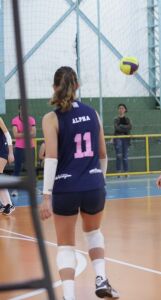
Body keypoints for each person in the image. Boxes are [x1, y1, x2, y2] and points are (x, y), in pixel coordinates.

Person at [39, 66, 119, 299]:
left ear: (55, 87)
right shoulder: (93, 113)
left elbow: (51, 158)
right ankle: (101, 280)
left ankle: (69, 296)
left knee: (65, 245)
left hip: (65, 188)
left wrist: (46, 196)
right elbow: (103, 154)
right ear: (77, 86)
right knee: (94, 232)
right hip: (94, 185)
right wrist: (99, 181)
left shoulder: (51, 118)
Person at [11, 104, 36, 196]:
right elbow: (15, 135)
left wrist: (21, 133)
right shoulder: (15, 120)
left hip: (30, 148)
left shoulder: (31, 119)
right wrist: (28, 133)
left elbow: (34, 134)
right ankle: (14, 189)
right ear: (19, 110)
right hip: (19, 148)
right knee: (17, 169)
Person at [0, 117, 15, 215]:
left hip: (2, 148)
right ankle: (6, 204)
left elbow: (7, 134)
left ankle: (9, 204)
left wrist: (11, 152)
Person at [113, 104, 132, 176]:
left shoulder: (128, 119)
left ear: (125, 110)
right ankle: (118, 172)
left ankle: (126, 172)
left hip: (126, 139)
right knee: (118, 155)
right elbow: (116, 128)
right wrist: (124, 127)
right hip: (118, 138)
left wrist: (121, 126)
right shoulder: (116, 119)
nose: (121, 109)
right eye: (120, 108)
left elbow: (130, 127)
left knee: (125, 156)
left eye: (122, 108)